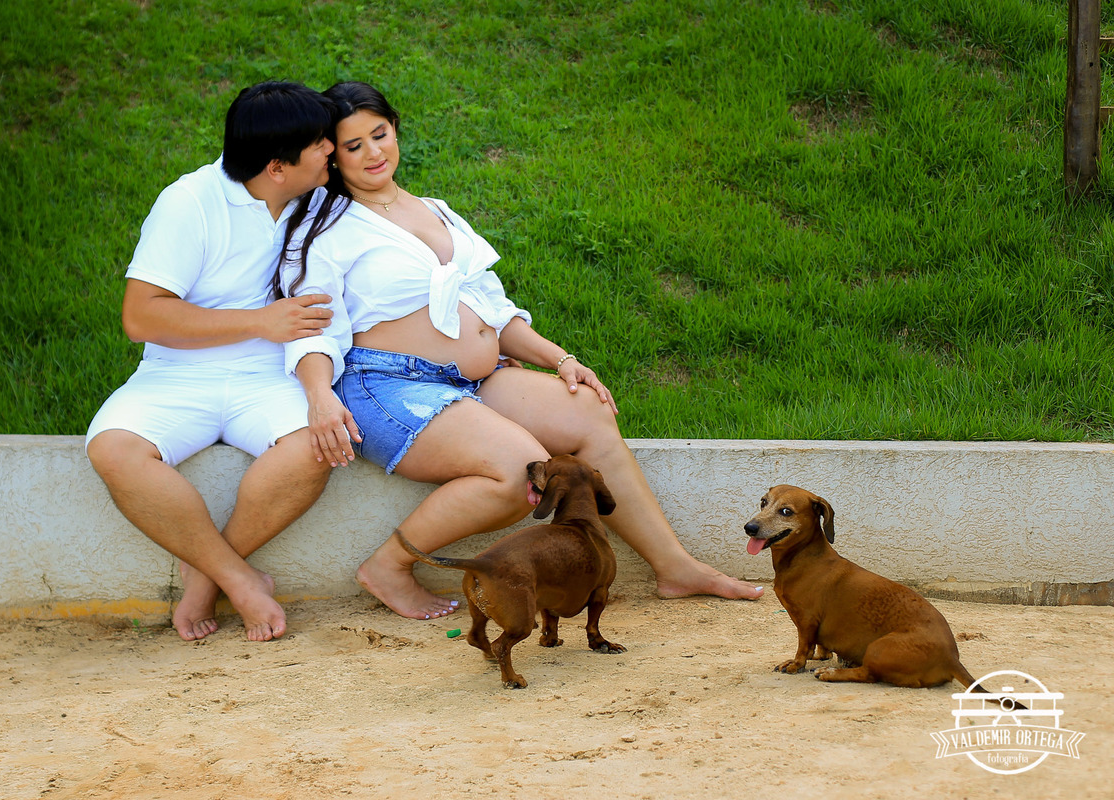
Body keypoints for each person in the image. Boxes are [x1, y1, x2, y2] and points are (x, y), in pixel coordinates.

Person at [276, 81, 764, 621]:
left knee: (586, 409)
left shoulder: (435, 210)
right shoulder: (326, 228)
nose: (373, 152)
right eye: (354, 145)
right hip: (388, 387)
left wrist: (562, 359)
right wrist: (319, 396)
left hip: (470, 380)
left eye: (380, 134)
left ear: (395, 129)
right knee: (518, 472)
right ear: (331, 154)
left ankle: (675, 567)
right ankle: (388, 565)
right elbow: (310, 327)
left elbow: (494, 310)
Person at [86, 81, 339, 642]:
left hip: (270, 375)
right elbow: (142, 317)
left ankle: (206, 578)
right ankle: (241, 580)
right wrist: (259, 322)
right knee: (113, 450)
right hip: (178, 372)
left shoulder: (322, 198)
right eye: (320, 142)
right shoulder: (189, 202)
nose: (332, 148)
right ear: (277, 167)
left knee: (316, 446)